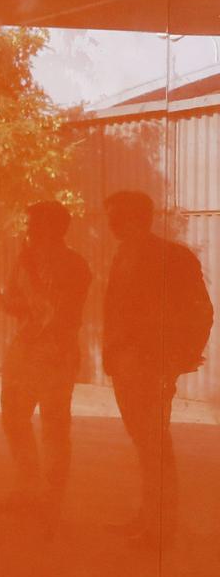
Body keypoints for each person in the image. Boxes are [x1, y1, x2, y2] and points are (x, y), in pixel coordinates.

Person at [103, 191, 214, 542]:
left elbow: (201, 311)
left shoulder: (173, 257)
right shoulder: (122, 255)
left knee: (155, 446)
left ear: (134, 218)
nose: (110, 224)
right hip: (125, 365)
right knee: (145, 444)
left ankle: (160, 526)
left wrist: (178, 361)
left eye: (115, 217)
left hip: (153, 365)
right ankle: (149, 517)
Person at [0, 202, 91, 507]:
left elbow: (59, 311)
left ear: (50, 227)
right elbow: (10, 303)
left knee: (54, 426)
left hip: (56, 351)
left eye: (33, 223)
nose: (27, 229)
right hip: (26, 347)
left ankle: (50, 498)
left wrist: (31, 292)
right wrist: (21, 300)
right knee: (13, 417)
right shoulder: (26, 260)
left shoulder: (74, 265)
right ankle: (28, 488)